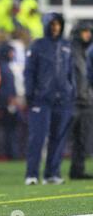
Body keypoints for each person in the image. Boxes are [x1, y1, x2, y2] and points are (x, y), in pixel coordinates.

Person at [24, 13, 75, 185]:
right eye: (52, 24)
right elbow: (29, 72)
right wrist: (30, 94)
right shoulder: (37, 45)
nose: (55, 27)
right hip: (41, 99)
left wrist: (71, 91)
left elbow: (70, 73)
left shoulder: (66, 46)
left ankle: (52, 174)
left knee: (58, 138)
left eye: (58, 24)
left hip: (63, 99)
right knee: (37, 138)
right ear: (46, 25)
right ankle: (32, 174)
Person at [69, 21, 93, 179]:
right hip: (72, 100)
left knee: (82, 138)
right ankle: (50, 171)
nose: (88, 34)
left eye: (89, 32)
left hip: (86, 101)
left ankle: (78, 170)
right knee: (60, 137)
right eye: (85, 31)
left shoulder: (88, 52)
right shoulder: (69, 51)